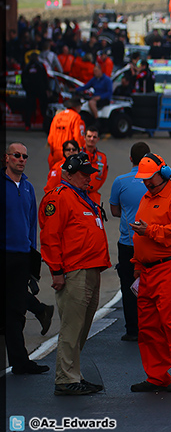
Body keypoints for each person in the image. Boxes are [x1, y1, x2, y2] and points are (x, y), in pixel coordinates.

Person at [39, 152, 111, 395]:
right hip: (75, 270)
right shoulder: (59, 198)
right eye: (83, 174)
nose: (88, 178)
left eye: (89, 174)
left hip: (91, 268)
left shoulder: (83, 197)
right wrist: (56, 271)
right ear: (68, 174)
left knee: (82, 326)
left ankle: (73, 373)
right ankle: (65, 378)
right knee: (72, 326)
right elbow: (50, 237)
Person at [130, 153, 171, 393]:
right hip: (147, 272)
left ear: (163, 174)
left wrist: (151, 231)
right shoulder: (147, 198)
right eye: (144, 179)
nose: (146, 182)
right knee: (148, 327)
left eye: (150, 177)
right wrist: (137, 266)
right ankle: (156, 375)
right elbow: (140, 234)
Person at [4, 143, 52, 375]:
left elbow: (33, 223)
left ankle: (20, 362)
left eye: (24, 156)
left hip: (22, 255)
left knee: (15, 310)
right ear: (7, 158)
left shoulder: (28, 188)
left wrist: (33, 254)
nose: (21, 159)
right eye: (17, 155)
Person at [109, 142, 151, 342]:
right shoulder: (153, 180)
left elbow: (115, 211)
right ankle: (150, 327)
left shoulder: (120, 181)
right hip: (150, 241)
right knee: (151, 285)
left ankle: (132, 329)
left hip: (128, 242)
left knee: (128, 286)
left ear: (130, 159)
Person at [46, 97, 85, 168]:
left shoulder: (57, 116)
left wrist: (52, 152)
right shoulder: (76, 117)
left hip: (56, 152)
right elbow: (79, 138)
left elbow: (50, 138)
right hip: (69, 153)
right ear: (77, 107)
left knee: (56, 175)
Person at [21, 52, 50, 132]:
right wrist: (46, 89)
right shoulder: (38, 66)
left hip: (32, 91)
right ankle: (43, 126)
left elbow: (23, 79)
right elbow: (45, 79)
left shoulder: (28, 67)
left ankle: (28, 125)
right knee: (42, 108)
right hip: (39, 91)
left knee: (31, 108)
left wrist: (26, 88)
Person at [81, 126, 108, 204]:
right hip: (78, 193)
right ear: (84, 137)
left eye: (94, 137)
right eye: (89, 136)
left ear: (98, 139)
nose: (91, 139)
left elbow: (103, 175)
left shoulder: (102, 157)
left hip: (94, 195)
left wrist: (95, 187)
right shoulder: (77, 154)